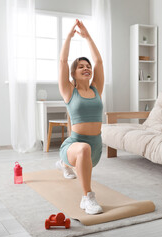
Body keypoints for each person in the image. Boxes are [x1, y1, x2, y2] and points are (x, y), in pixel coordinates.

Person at [56, 19, 104, 215]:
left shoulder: (96, 89)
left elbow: (99, 62)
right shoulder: (69, 91)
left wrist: (87, 36)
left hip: (96, 146)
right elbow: (62, 61)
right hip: (76, 143)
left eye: (88, 66)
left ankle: (64, 164)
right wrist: (69, 36)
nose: (87, 68)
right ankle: (88, 198)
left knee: (85, 152)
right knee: (82, 149)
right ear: (73, 73)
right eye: (81, 66)